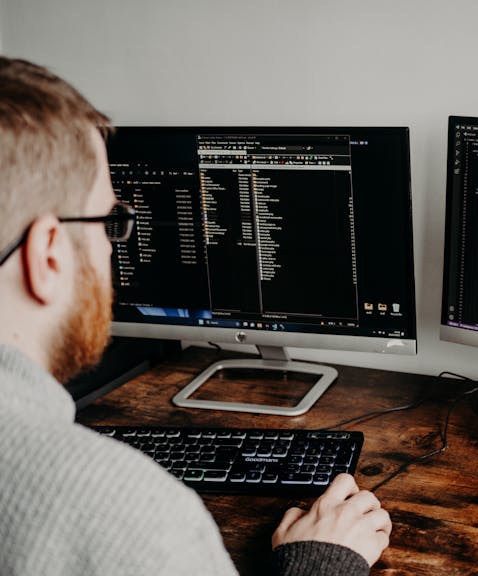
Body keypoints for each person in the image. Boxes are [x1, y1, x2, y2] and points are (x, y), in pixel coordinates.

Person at [0, 56, 391, 576]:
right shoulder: (127, 513)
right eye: (110, 221)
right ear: (49, 252)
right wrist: (320, 560)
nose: (114, 247)